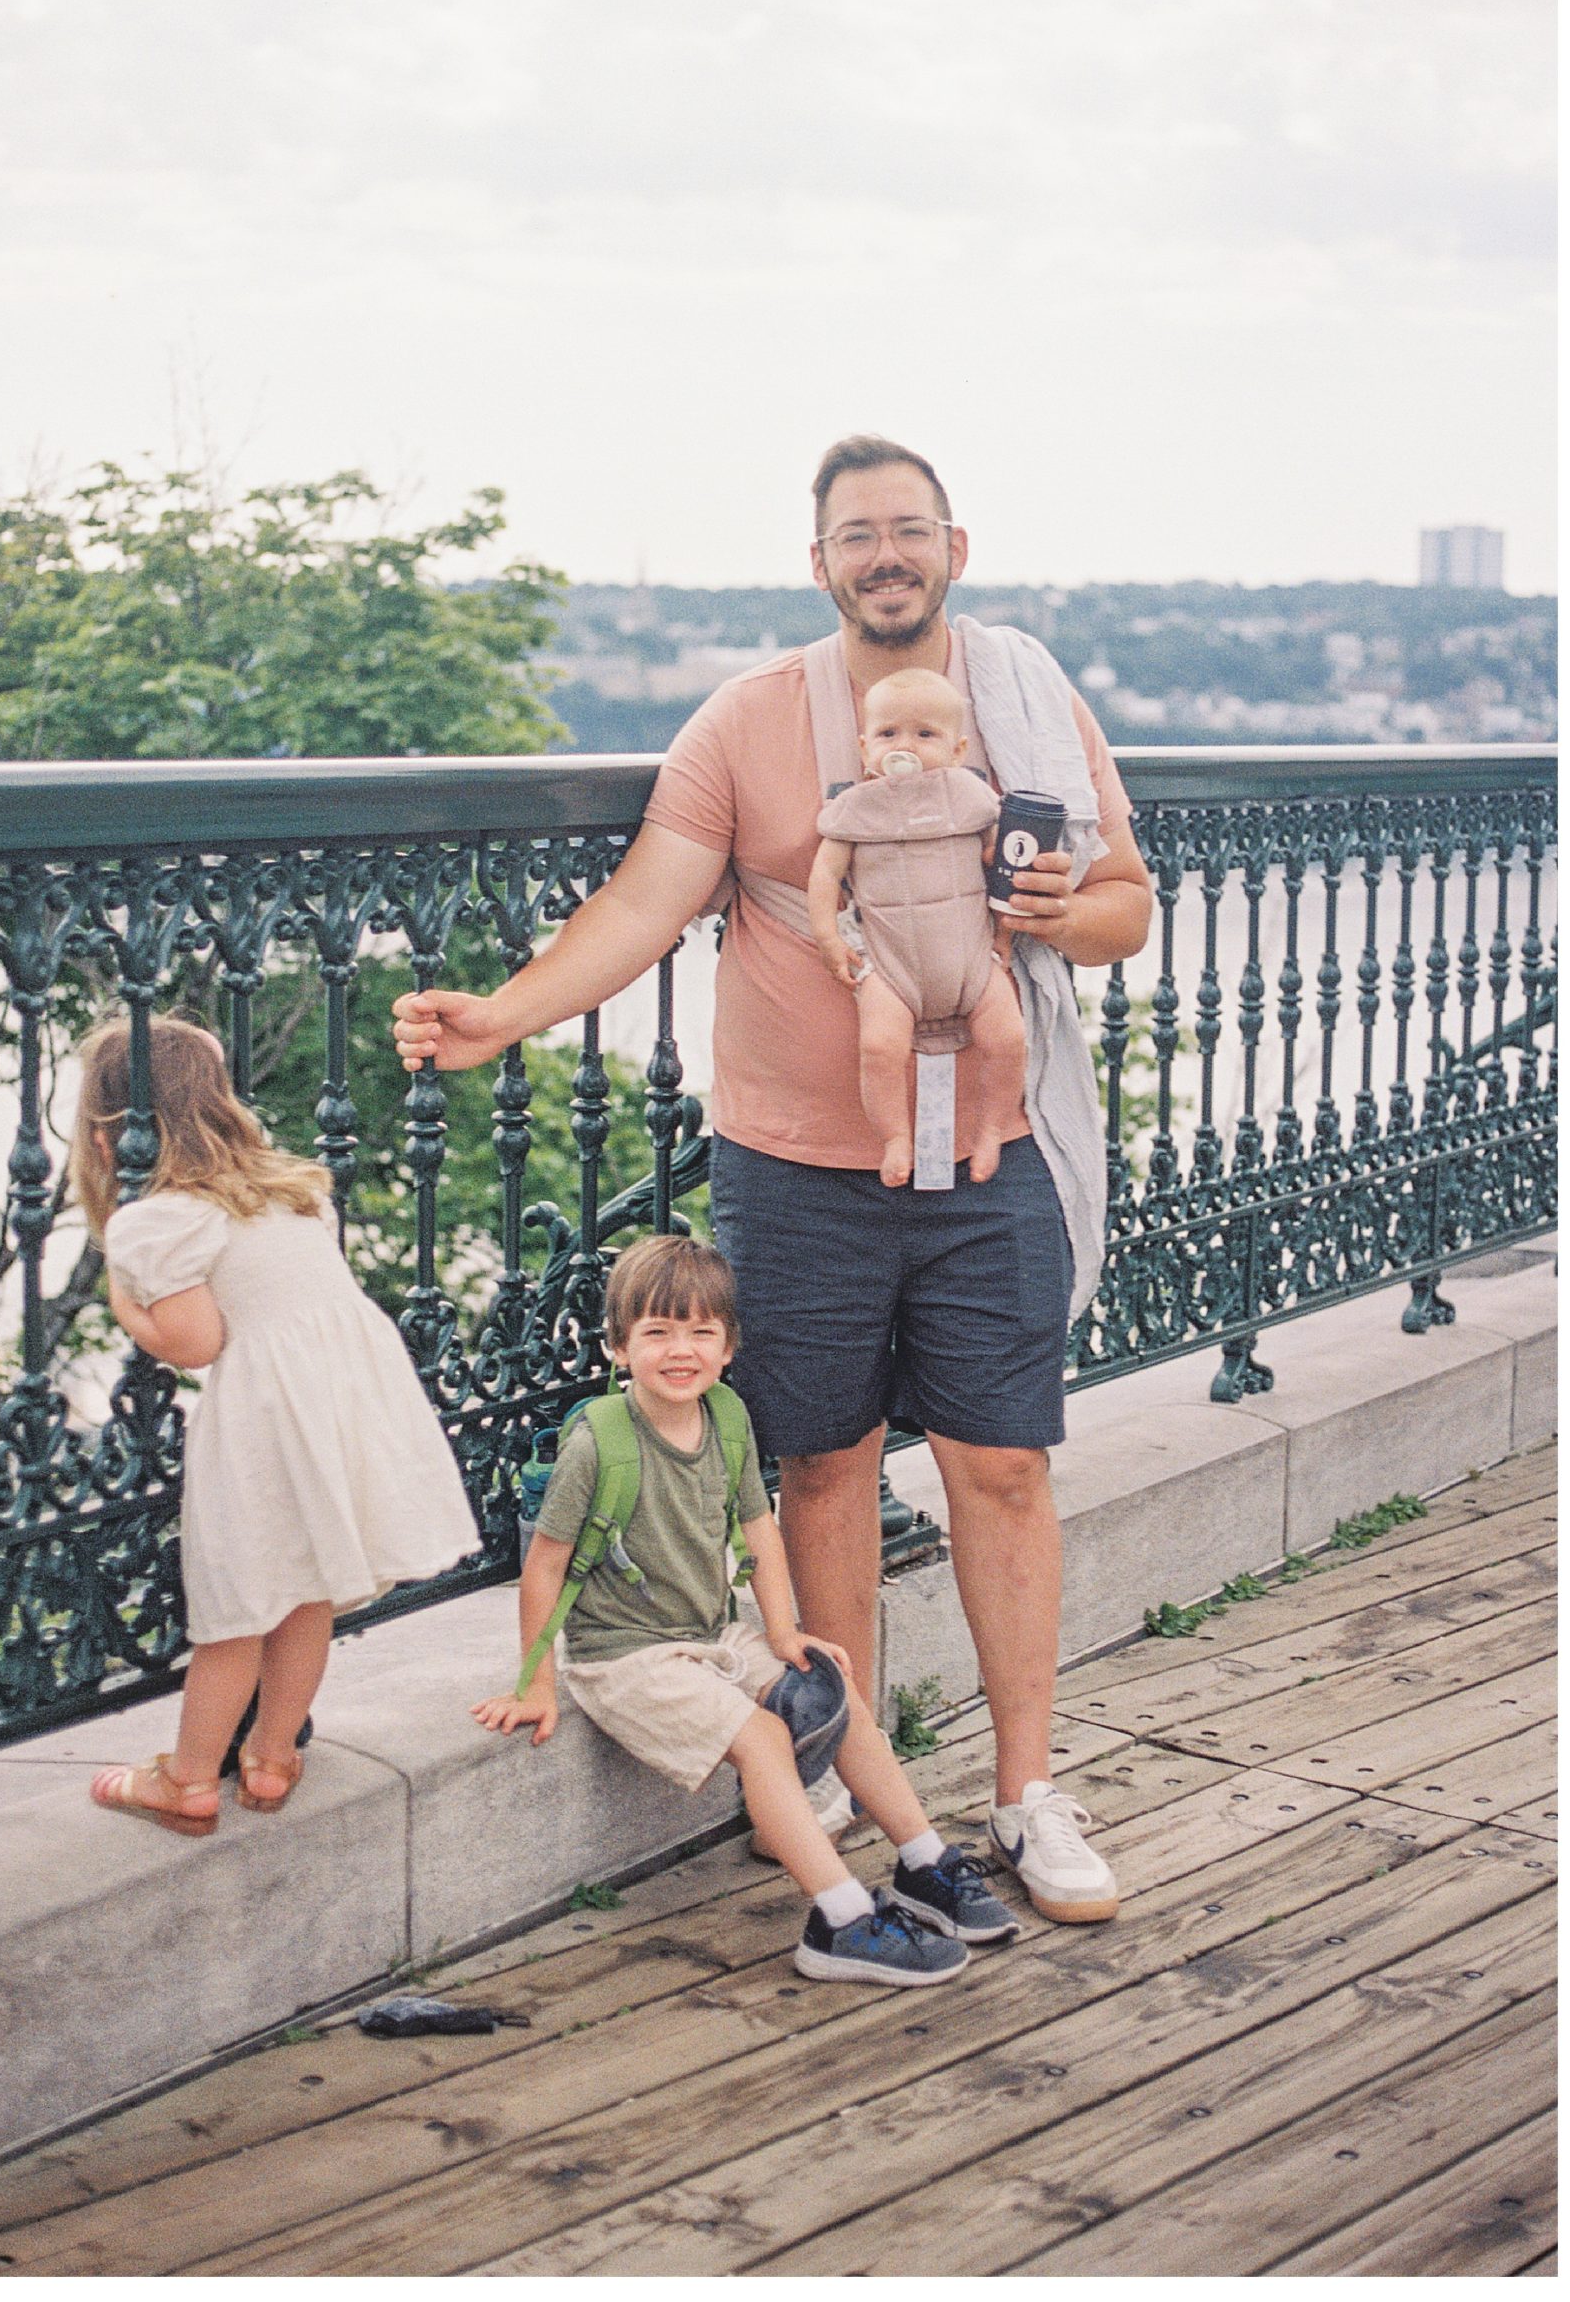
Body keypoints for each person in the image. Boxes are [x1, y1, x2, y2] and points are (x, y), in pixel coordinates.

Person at [395, 436, 1153, 1924]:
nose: (886, 554)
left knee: (1003, 1466)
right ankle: (832, 1775)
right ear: (819, 566)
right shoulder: (746, 723)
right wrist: (499, 1017)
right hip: (796, 1172)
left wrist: (1070, 911)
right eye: (856, 534)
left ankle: (1025, 1794)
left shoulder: (1030, 706)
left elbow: (1127, 904)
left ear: (954, 548)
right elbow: (641, 904)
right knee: (824, 1468)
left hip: (986, 1157)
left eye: (908, 530)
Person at [474, 1235, 1017, 1983]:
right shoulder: (599, 1444)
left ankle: (924, 1861)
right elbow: (546, 1564)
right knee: (762, 1739)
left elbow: (758, 1524)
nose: (680, 1351)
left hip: (708, 1631)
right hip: (624, 1654)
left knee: (834, 1687)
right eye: (657, 1332)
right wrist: (535, 1682)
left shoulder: (726, 1416)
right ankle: (840, 1921)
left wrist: (787, 1629)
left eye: (701, 1332)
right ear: (617, 1345)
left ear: (729, 1347)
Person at [72, 1014, 481, 1836]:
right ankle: (270, 1756)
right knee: (307, 1591)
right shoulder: (290, 1187)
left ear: (106, 1126)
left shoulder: (155, 1219)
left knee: (239, 1601)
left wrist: (123, 1297)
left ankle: (187, 1779)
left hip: (266, 1415)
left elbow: (196, 1342)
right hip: (344, 1399)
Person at [808, 666, 1024, 1188]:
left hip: (971, 961)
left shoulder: (972, 800)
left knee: (1009, 1038)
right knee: (879, 1049)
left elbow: (1004, 870)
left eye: (925, 734)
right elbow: (825, 875)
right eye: (888, 734)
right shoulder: (853, 809)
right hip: (892, 967)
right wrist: (828, 938)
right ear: (865, 748)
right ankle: (895, 1138)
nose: (905, 745)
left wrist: (1004, 933)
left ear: (957, 749)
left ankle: (993, 1128)